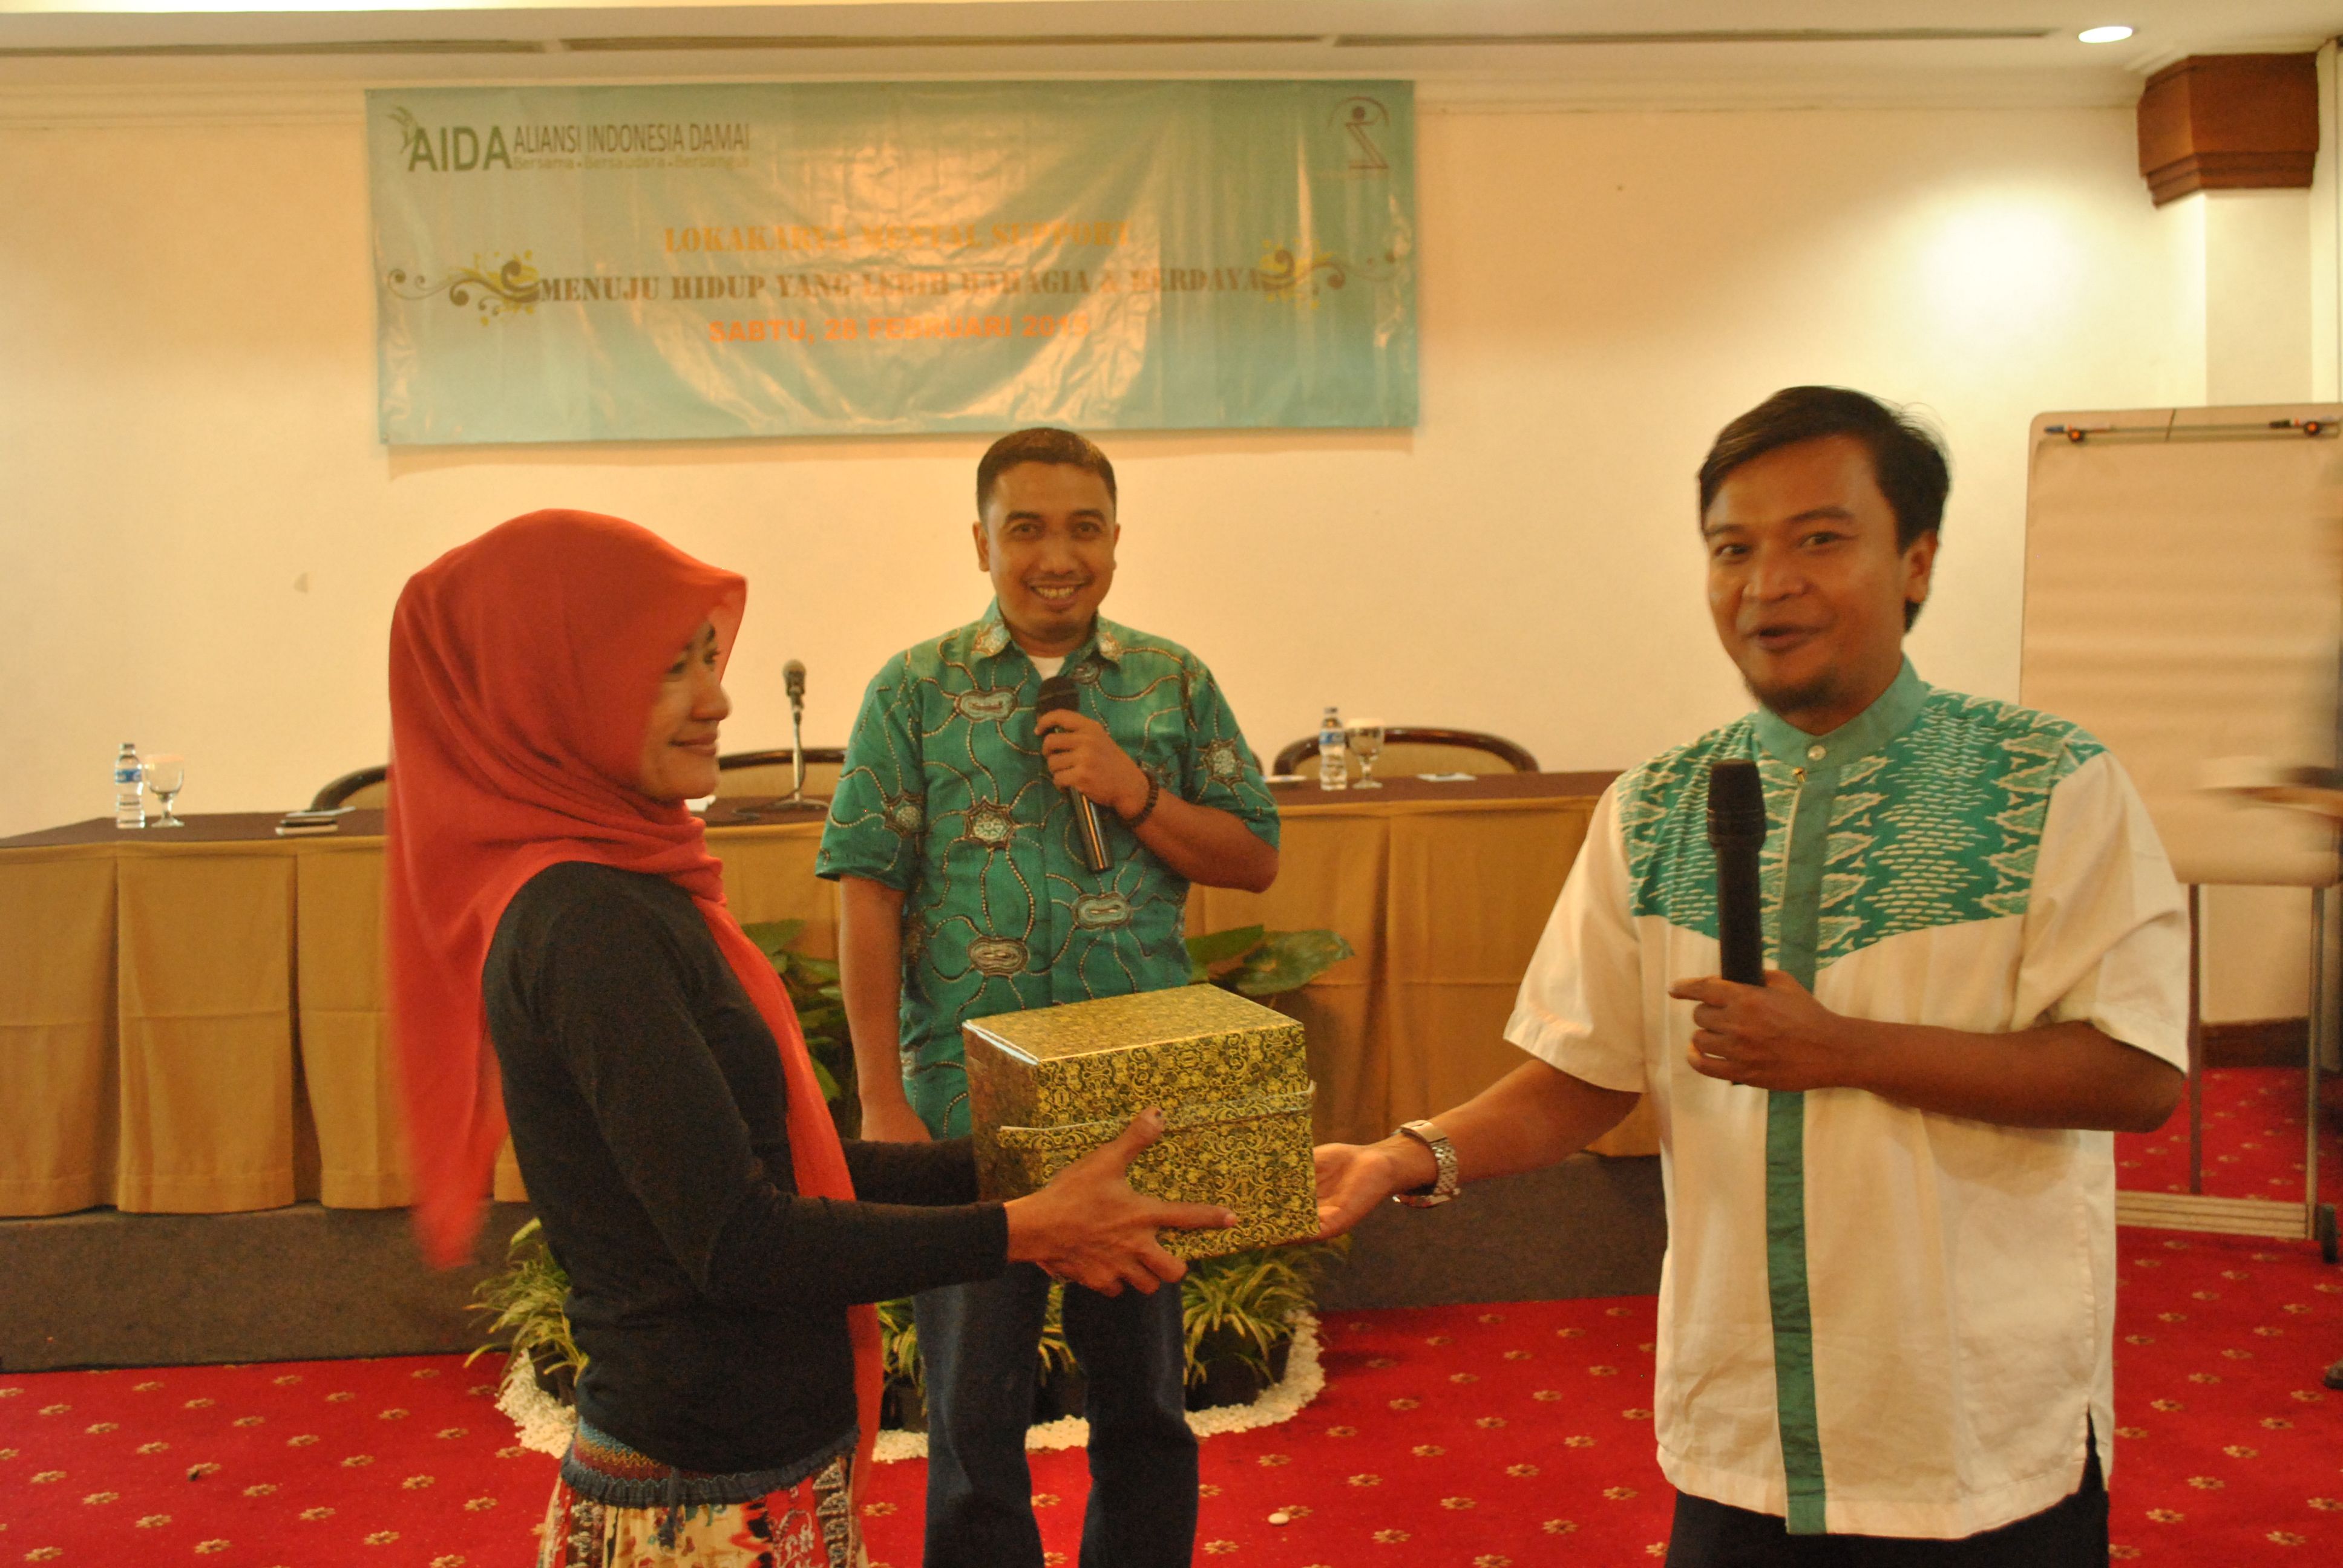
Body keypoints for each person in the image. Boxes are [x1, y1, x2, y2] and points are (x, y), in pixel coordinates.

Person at [1316, 387, 2189, 1566]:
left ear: (1917, 561)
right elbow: (1584, 1075)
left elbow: (2134, 1074)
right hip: (1745, 1432)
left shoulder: (2051, 784)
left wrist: (1849, 1052)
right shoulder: (1657, 805)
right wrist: (1404, 1155)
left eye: (1818, 540)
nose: (1767, 583)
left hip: (1973, 1437)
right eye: (1733, 549)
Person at [383, 508, 1231, 1568]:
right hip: (696, 1508)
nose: (716, 700)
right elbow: (744, 1242)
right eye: (668, 669)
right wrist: (1024, 1227)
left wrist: (1033, 1170)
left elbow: (789, 1169)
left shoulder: (628, 889)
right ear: (548, 689)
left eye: (710, 659)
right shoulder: (586, 921)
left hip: (747, 1478)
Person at [818, 428, 1282, 1568]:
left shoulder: (1172, 681)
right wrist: (881, 1100)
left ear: (1117, 541)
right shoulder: (913, 690)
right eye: (1025, 529)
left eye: (1083, 528)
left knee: (1146, 1404)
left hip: (1136, 1103)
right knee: (972, 1419)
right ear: (981, 543)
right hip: (962, 1105)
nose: (1057, 556)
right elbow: (868, 896)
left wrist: (1135, 793)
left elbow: (1253, 858)